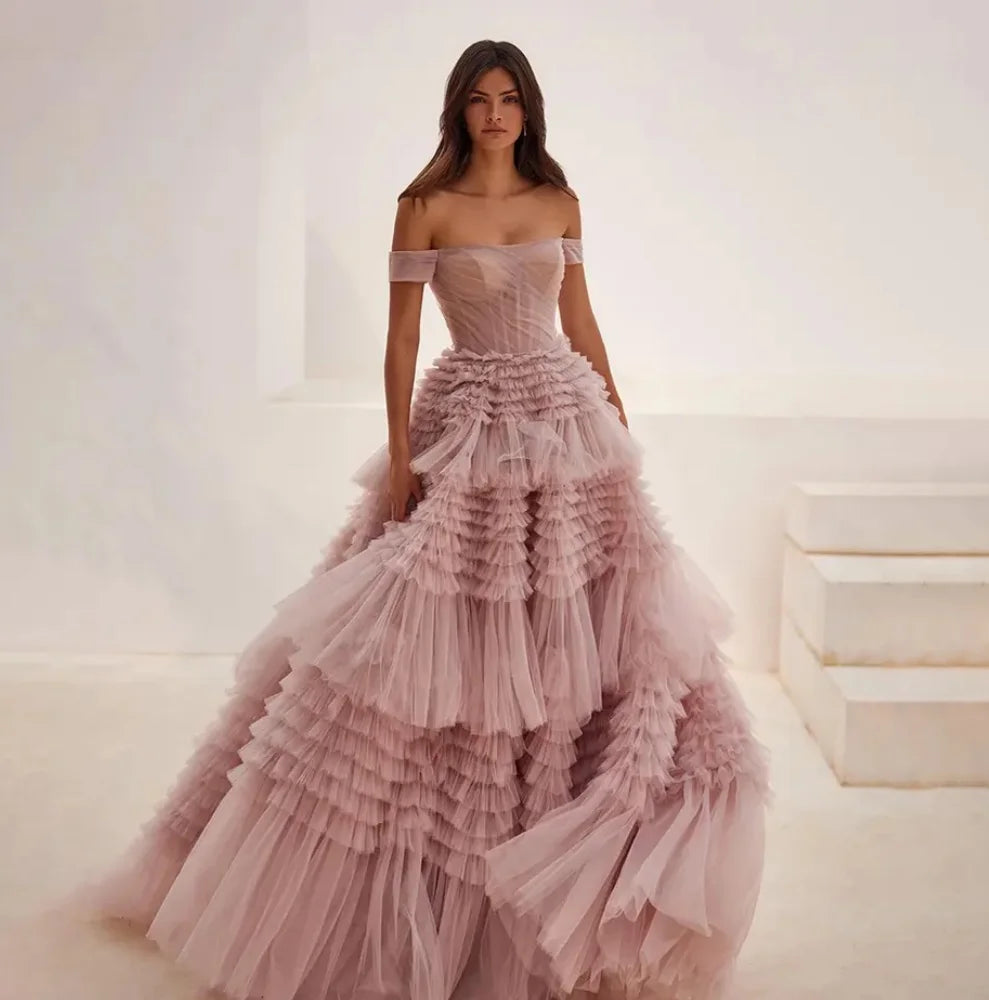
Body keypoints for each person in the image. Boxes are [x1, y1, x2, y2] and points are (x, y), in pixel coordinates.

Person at [70, 38, 769, 1000]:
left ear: (529, 110)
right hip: (468, 426)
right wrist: (402, 462)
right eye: (479, 99)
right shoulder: (424, 206)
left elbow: (582, 320)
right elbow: (400, 344)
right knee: (436, 658)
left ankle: (576, 877)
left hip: (565, 431)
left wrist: (613, 423)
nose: (494, 114)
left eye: (509, 98)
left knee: (591, 643)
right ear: (458, 110)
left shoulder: (558, 203)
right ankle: (419, 902)